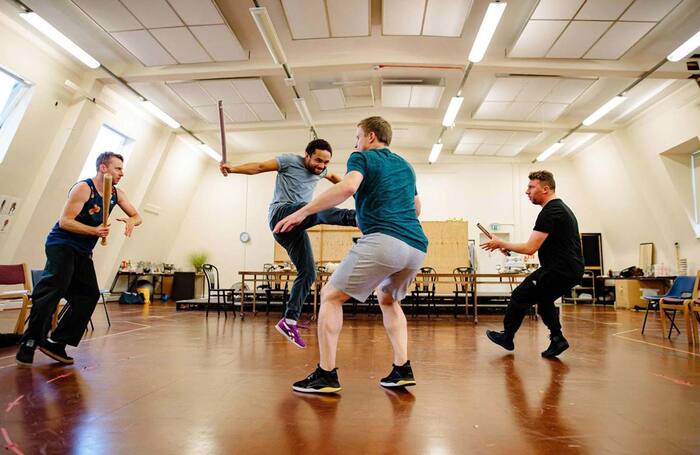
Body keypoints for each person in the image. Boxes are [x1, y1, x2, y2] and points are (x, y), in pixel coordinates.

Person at [274, 116, 428, 393]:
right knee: (389, 299)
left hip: (385, 240)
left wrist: (302, 212)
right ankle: (402, 369)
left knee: (331, 296)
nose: (355, 143)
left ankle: (326, 374)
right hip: (416, 246)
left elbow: (346, 188)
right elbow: (416, 208)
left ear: (370, 137)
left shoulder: (361, 157)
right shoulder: (406, 166)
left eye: (357, 137)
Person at [220, 139, 356, 348]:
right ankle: (356, 218)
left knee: (308, 272)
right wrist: (234, 168)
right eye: (318, 160)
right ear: (307, 155)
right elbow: (259, 167)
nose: (321, 166)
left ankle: (289, 320)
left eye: (326, 162)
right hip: (281, 214)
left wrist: (355, 190)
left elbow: (337, 180)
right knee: (314, 208)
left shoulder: (321, 170)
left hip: (294, 227)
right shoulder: (289, 160)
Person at [16, 152, 142, 366]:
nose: (122, 172)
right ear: (103, 168)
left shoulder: (116, 194)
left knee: (89, 295)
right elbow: (65, 222)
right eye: (118, 168)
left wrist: (132, 221)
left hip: (83, 251)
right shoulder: (84, 188)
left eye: (122, 168)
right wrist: (94, 231)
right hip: (61, 244)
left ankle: (56, 342)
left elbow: (137, 215)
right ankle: (29, 341)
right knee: (54, 287)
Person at [481, 170, 584, 358]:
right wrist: (503, 245)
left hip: (559, 270)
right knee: (544, 300)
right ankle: (557, 339)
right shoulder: (560, 209)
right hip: (568, 269)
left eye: (531, 187)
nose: (526, 191)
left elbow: (530, 248)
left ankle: (507, 337)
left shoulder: (551, 211)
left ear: (545, 189)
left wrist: (500, 243)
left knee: (520, 295)